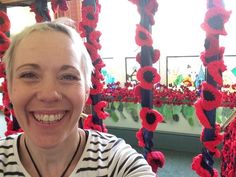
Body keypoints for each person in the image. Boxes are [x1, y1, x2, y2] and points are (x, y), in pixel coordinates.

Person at [0, 19, 156, 177]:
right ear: (10, 88)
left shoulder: (119, 162)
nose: (48, 95)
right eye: (29, 75)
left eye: (68, 76)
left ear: (87, 90)